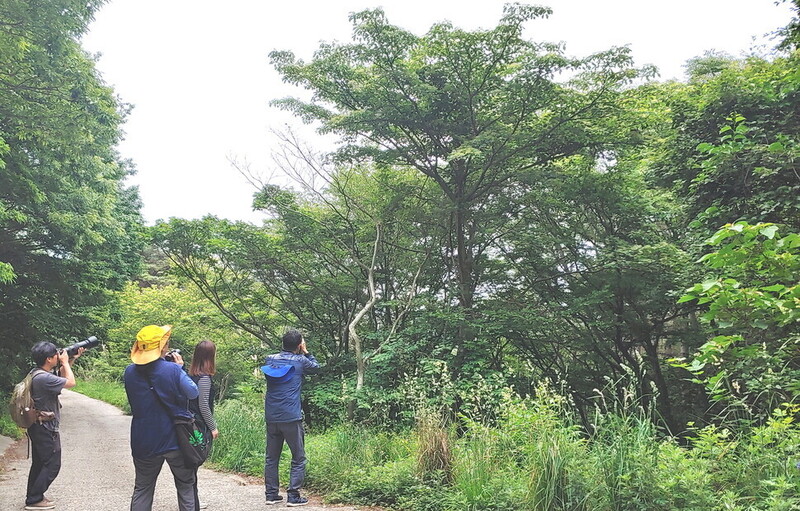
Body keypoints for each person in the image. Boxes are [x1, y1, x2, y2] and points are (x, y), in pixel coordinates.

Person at [123, 325, 199, 511]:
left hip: (143, 439)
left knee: (143, 487)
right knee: (185, 485)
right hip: (175, 439)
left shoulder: (129, 372)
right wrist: (179, 368)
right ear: (163, 347)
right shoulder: (172, 370)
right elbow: (192, 392)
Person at [262, 329, 319, 507]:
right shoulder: (301, 361)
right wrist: (307, 352)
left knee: (271, 458)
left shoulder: (270, 360)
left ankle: (271, 494)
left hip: (272, 416)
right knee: (298, 456)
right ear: (299, 345)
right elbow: (316, 368)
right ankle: (293, 496)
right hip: (291, 417)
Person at [24, 341, 83, 510]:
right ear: (49, 359)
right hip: (46, 428)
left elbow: (61, 379)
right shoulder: (44, 378)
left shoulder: (37, 373)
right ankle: (35, 499)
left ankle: (34, 496)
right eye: (56, 355)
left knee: (40, 463)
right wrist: (65, 362)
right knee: (52, 464)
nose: (58, 356)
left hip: (38, 426)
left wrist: (70, 360)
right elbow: (70, 383)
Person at [188, 340, 219, 510]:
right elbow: (204, 405)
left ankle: (192, 501)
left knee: (191, 465)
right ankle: (192, 502)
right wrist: (213, 427)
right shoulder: (205, 379)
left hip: (189, 424)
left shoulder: (190, 375)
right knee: (195, 462)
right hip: (199, 426)